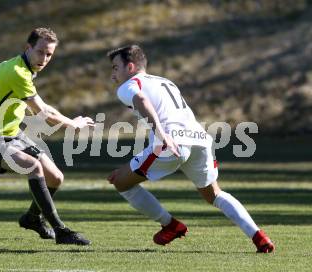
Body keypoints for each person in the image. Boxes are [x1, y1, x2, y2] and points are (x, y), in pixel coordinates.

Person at [106, 45, 274, 253]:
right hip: (200, 140)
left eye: (115, 67)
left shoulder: (128, 85)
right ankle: (259, 237)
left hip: (170, 142)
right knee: (215, 194)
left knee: (120, 182)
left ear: (130, 66)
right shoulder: (165, 81)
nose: (112, 74)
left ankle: (170, 225)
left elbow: (141, 100)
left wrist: (161, 134)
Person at [0, 27, 94, 245]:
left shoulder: (19, 68)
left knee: (56, 178)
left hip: (11, 134)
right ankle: (61, 231)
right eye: (41, 51)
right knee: (33, 166)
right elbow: (43, 112)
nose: (44, 58)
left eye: (49, 54)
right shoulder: (17, 72)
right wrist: (74, 123)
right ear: (28, 47)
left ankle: (32, 218)